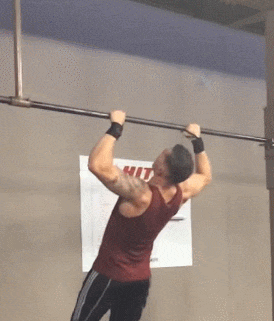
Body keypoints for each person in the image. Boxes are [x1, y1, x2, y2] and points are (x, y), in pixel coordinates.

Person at [71, 110, 212, 321]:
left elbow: (97, 165)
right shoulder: (181, 193)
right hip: (139, 282)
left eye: (163, 155)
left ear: (161, 170)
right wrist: (197, 141)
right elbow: (205, 176)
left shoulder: (141, 194)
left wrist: (116, 127)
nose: (160, 153)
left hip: (108, 276)